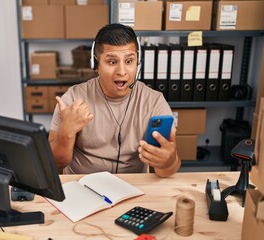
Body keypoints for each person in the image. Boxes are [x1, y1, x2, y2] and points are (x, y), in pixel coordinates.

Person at [48, 23, 181, 177]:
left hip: (132, 188)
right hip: (83, 186)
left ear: (138, 63)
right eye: (112, 62)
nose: (122, 71)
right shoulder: (73, 99)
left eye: (129, 61)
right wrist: (66, 132)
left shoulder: (154, 102)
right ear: (95, 64)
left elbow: (168, 171)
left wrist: (168, 162)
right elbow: (54, 164)